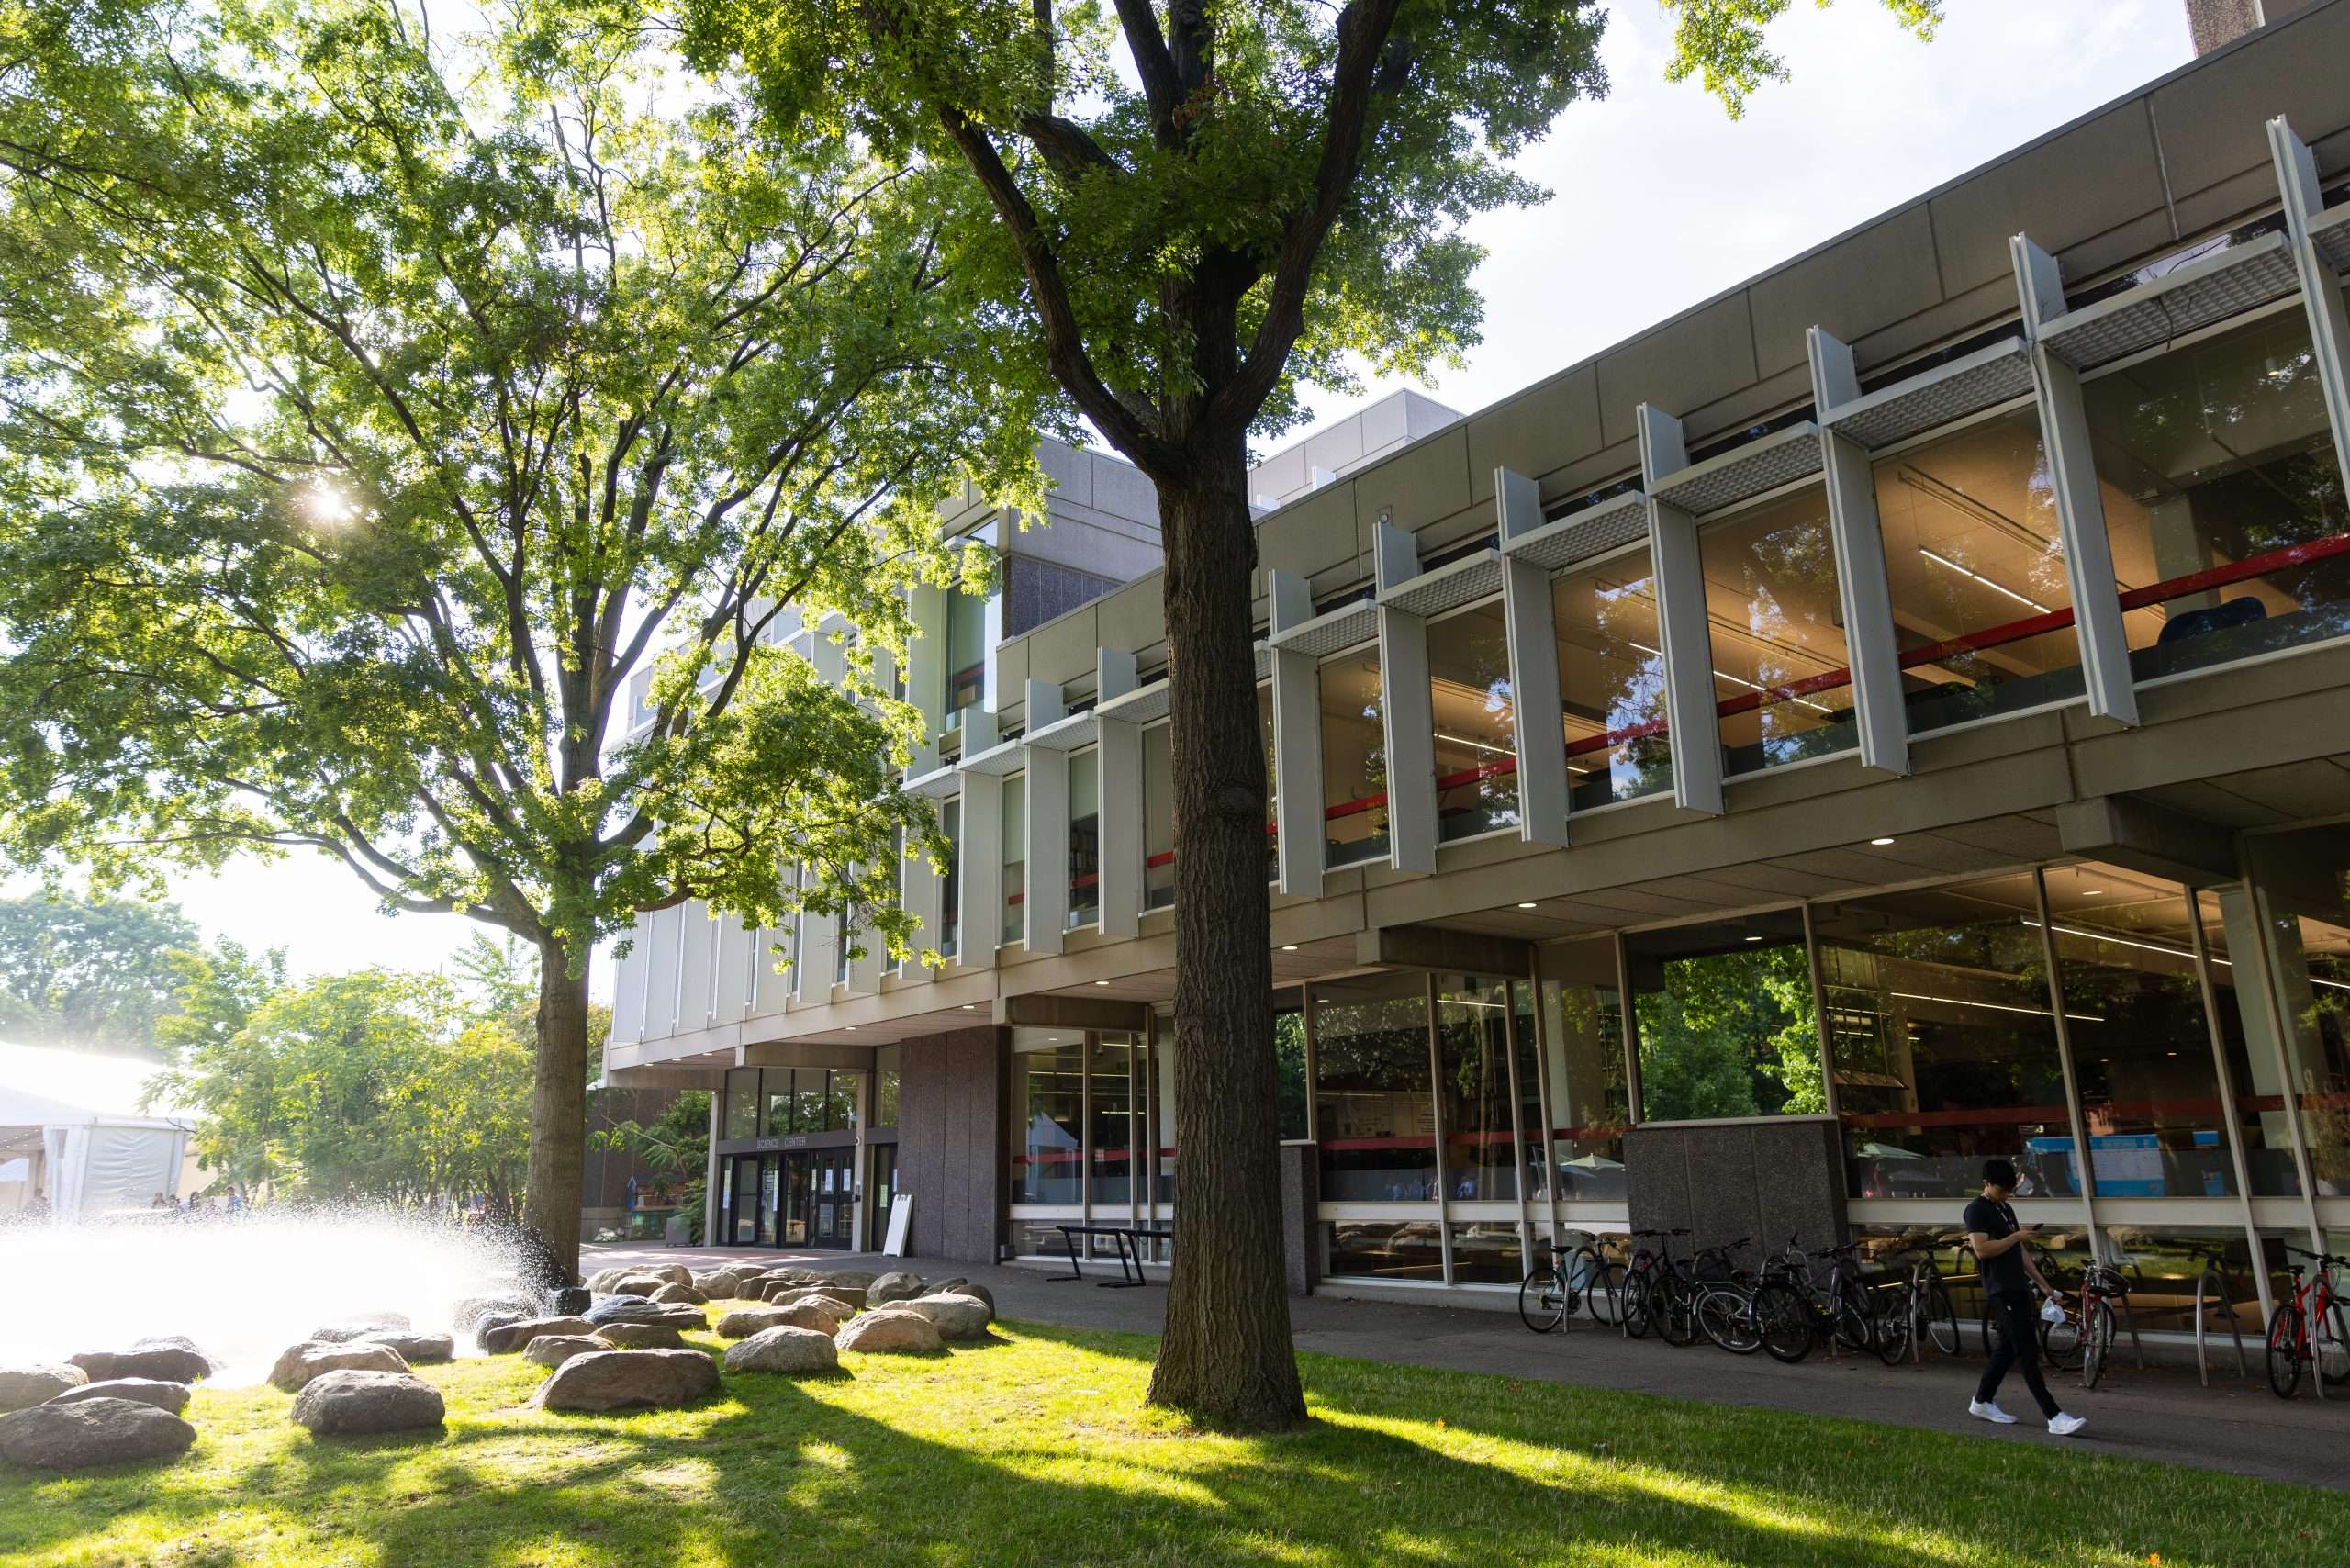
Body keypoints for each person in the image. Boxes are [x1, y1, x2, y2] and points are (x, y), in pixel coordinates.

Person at [1964, 1158, 2086, 1436]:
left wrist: (2044, 1285)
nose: (2006, 1194)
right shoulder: (1976, 1210)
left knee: (2007, 1348)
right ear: (1986, 1184)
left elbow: (2019, 1252)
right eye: (2001, 1189)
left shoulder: (2005, 1208)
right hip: (2000, 1288)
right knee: (2026, 1351)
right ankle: (2054, 1415)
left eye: (2009, 1189)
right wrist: (2015, 1237)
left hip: (2018, 1286)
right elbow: (1982, 1250)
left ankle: (1982, 1400)